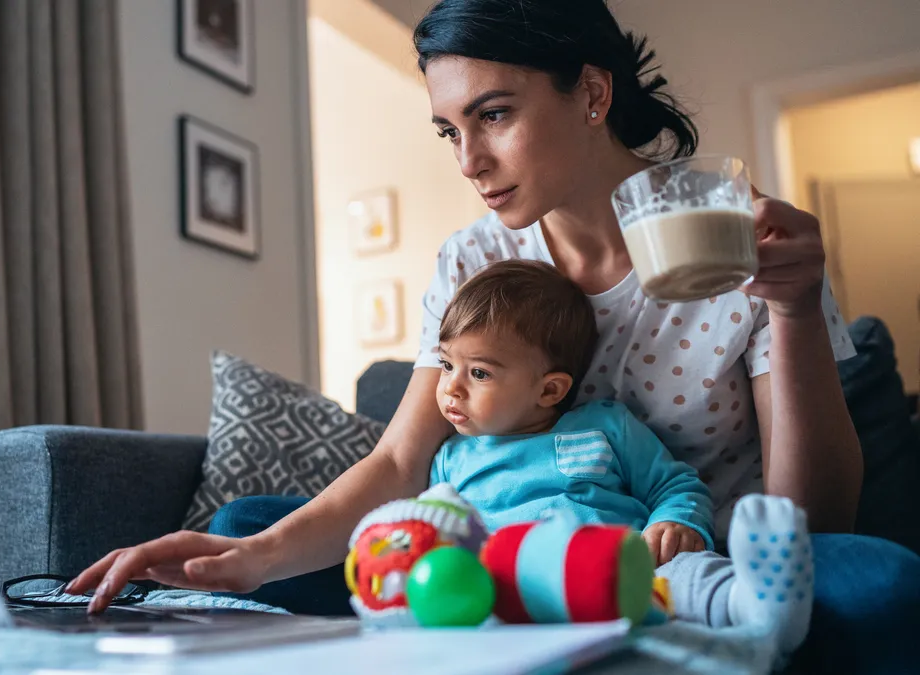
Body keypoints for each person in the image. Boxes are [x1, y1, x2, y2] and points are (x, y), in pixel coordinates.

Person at [68, 0, 920, 669]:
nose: (467, 159)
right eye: (450, 129)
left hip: (694, 571)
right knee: (254, 521)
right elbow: (402, 464)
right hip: (502, 556)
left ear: (591, 93)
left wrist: (797, 309)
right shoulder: (475, 258)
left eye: (494, 115)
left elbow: (814, 518)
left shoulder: (741, 235)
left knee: (879, 581)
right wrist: (248, 556)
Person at [426, 259, 810, 658]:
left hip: (631, 572)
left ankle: (756, 606)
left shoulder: (604, 426)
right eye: (446, 364)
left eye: (480, 374)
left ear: (549, 390)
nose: (451, 387)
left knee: (686, 574)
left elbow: (674, 484)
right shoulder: (451, 461)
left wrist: (675, 521)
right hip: (524, 590)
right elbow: (438, 530)